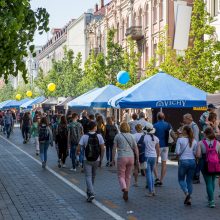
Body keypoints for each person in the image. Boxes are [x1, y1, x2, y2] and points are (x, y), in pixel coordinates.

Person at [78, 121, 105, 202]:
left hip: (87, 159)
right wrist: (101, 159)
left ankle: (91, 192)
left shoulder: (84, 136)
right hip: (96, 159)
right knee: (93, 176)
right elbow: (103, 149)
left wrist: (78, 153)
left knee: (88, 176)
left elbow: (78, 148)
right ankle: (90, 191)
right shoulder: (99, 136)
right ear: (94, 127)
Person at [112, 122, 139, 201]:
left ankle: (124, 188)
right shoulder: (132, 136)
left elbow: (114, 148)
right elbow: (136, 148)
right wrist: (137, 158)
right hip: (131, 157)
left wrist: (113, 158)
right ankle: (127, 190)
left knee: (121, 175)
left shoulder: (117, 136)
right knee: (128, 176)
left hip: (122, 157)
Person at [196, 127, 220, 208]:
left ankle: (211, 201)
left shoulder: (200, 143)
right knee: (213, 181)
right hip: (215, 163)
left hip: (205, 163)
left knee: (208, 182)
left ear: (205, 134)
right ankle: (211, 197)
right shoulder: (217, 143)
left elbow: (198, 155)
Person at [175, 126, 197, 206]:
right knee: (189, 181)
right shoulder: (194, 140)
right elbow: (195, 153)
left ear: (184, 131)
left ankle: (187, 194)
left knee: (181, 179)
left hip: (183, 161)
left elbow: (177, 152)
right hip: (192, 161)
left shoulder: (180, 140)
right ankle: (189, 199)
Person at [153, 112, 172, 186]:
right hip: (166, 146)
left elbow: (152, 135)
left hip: (157, 146)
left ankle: (157, 177)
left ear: (157, 117)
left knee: (155, 162)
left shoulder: (154, 125)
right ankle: (161, 179)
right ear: (164, 117)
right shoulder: (168, 125)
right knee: (164, 163)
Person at [183, 113, 201, 184]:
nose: (184, 120)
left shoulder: (194, 126)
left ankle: (196, 177)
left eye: (184, 119)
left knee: (196, 162)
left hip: (194, 146)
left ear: (188, 119)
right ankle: (194, 176)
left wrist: (194, 148)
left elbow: (196, 138)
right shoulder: (189, 125)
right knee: (194, 162)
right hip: (191, 146)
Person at [143, 123, 160, 196]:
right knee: (152, 173)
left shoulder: (144, 137)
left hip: (147, 156)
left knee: (148, 174)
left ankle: (150, 191)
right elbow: (158, 149)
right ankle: (153, 190)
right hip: (154, 156)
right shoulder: (156, 138)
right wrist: (157, 158)